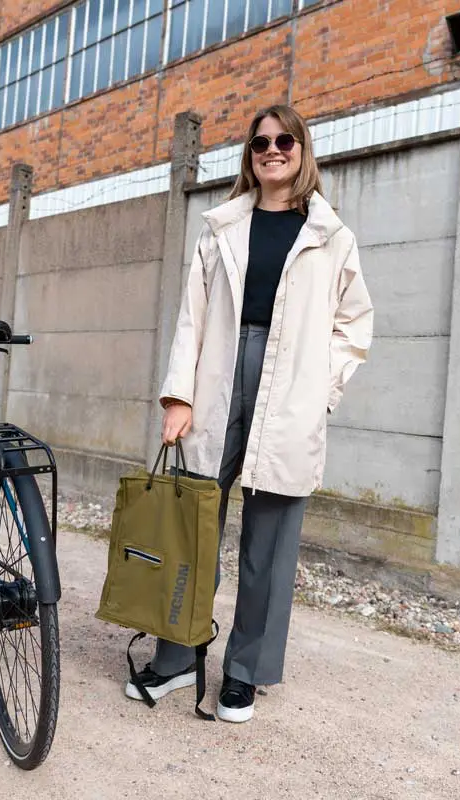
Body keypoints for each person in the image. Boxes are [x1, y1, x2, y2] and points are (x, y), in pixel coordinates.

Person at [124, 104, 375, 722]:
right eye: (261, 142)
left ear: (301, 149)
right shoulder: (220, 229)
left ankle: (245, 672)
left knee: (271, 540)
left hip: (289, 388)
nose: (272, 149)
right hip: (218, 377)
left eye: (284, 140)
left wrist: (321, 392)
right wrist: (179, 395)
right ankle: (179, 658)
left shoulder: (330, 235)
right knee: (192, 526)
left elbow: (355, 325)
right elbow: (192, 317)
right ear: (249, 154)